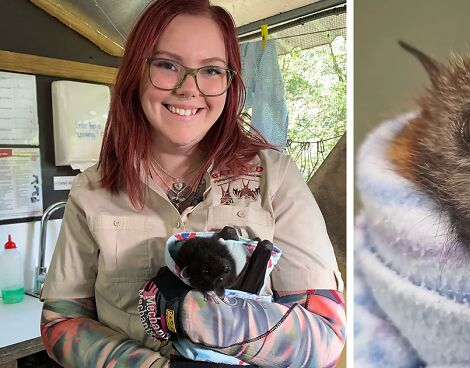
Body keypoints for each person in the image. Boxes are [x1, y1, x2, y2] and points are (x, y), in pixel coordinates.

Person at [39, 0, 345, 367]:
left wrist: (208, 320)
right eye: (168, 65)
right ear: (137, 72)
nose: (189, 89)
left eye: (211, 70)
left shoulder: (275, 178)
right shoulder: (93, 189)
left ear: (230, 84)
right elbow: (62, 320)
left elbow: (326, 334)